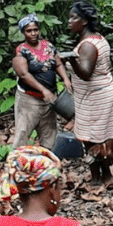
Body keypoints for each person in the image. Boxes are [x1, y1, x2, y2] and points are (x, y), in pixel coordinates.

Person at [65, 1, 113, 182]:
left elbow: (86, 73)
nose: (69, 21)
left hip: (96, 97)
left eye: (74, 17)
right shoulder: (96, 38)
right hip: (97, 95)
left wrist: (71, 59)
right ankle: (99, 176)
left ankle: (103, 177)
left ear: (85, 21)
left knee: (93, 140)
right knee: (94, 139)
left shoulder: (87, 45)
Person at [11, 14, 73, 149]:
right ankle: (16, 164)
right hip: (29, 99)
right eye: (29, 31)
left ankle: (47, 163)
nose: (33, 33)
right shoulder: (22, 50)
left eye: (35, 30)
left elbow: (57, 64)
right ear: (23, 32)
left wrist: (66, 79)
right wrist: (43, 90)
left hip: (48, 100)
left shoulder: (48, 46)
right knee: (22, 133)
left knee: (49, 134)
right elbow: (23, 74)